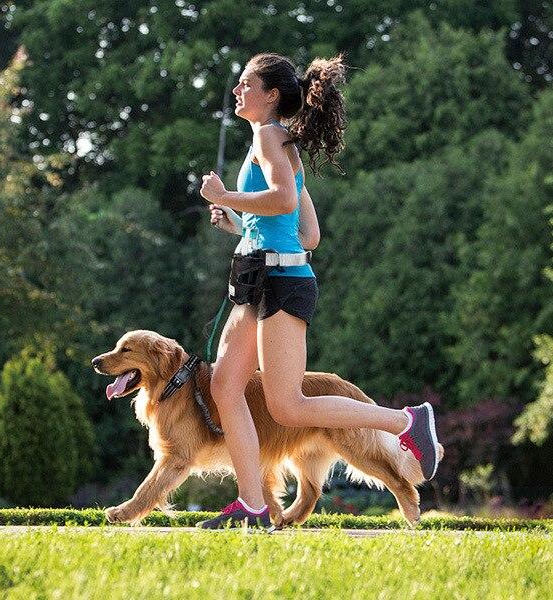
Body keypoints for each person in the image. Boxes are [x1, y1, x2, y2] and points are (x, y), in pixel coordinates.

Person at [198, 52, 440, 529]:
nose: (236, 91)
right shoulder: (274, 144)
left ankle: (407, 422)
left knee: (286, 405)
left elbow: (284, 200)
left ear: (270, 95)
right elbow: (305, 234)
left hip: (280, 284)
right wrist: (239, 225)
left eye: (246, 83)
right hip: (261, 276)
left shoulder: (270, 137)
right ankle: (251, 506)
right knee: (226, 384)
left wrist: (225, 197)